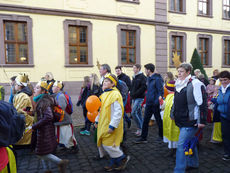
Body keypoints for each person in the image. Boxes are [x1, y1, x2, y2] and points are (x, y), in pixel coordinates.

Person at [171, 63, 206, 173]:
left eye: (181, 71)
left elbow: (202, 104)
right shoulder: (179, 83)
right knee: (190, 141)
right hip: (180, 119)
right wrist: (172, 114)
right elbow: (175, 101)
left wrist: (201, 121)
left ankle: (179, 170)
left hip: (191, 121)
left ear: (188, 72)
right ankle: (193, 163)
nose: (179, 73)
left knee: (181, 146)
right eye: (178, 71)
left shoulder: (195, 84)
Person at [32, 80, 69, 173]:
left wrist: (35, 126)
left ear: (43, 91)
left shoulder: (43, 101)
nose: (34, 89)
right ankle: (47, 170)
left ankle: (60, 162)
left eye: (37, 88)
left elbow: (48, 116)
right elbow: (42, 114)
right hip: (45, 130)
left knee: (41, 153)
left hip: (45, 131)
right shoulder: (42, 100)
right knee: (44, 152)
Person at [95, 74, 130, 171]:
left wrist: (112, 125)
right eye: (104, 81)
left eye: (107, 81)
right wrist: (97, 120)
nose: (104, 82)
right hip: (104, 124)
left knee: (109, 144)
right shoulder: (103, 94)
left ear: (112, 84)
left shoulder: (115, 94)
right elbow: (100, 110)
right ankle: (114, 163)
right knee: (107, 143)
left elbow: (118, 112)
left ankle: (122, 158)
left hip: (111, 125)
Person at [135, 63, 164, 143]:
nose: (145, 71)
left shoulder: (157, 79)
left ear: (149, 70)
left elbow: (160, 92)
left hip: (155, 104)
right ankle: (143, 138)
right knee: (145, 121)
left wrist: (156, 102)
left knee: (158, 120)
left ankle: (161, 136)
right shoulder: (149, 78)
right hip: (149, 103)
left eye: (145, 70)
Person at [52, 81, 77, 152]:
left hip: (64, 119)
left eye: (54, 86)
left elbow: (61, 108)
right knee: (63, 135)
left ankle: (74, 147)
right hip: (62, 120)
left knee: (68, 135)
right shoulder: (58, 95)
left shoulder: (60, 96)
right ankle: (66, 146)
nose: (52, 88)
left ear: (58, 87)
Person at [212, 71, 230, 161]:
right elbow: (219, 101)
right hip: (223, 116)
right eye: (221, 80)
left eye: (225, 80)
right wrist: (213, 99)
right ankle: (227, 153)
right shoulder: (220, 89)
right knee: (225, 135)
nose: (223, 82)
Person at [13, 73, 34, 145]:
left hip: (24, 122)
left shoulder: (22, 96)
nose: (14, 85)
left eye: (15, 84)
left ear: (19, 85)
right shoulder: (21, 95)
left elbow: (19, 110)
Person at [162, 81, 179, 157]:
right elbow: (164, 105)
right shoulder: (168, 96)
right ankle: (172, 149)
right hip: (168, 119)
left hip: (173, 120)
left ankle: (176, 150)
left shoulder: (175, 97)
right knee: (170, 134)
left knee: (174, 134)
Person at [130, 64, 147, 136]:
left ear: (138, 68)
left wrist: (135, 94)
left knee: (133, 113)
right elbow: (132, 87)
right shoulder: (134, 76)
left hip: (139, 97)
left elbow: (143, 87)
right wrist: (131, 93)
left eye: (134, 68)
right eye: (133, 68)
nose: (133, 69)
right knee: (139, 113)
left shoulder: (142, 77)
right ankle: (142, 129)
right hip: (134, 97)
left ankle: (140, 128)